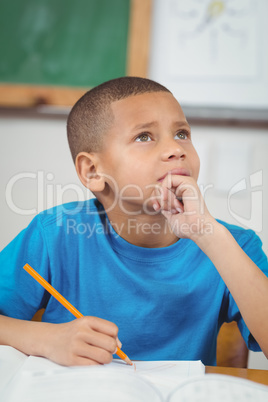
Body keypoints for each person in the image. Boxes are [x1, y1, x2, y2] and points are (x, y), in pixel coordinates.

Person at [0, 77, 267, 367]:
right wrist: (46, 338)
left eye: (181, 133)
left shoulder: (233, 245)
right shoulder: (55, 234)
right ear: (92, 171)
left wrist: (209, 235)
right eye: (144, 137)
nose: (175, 149)